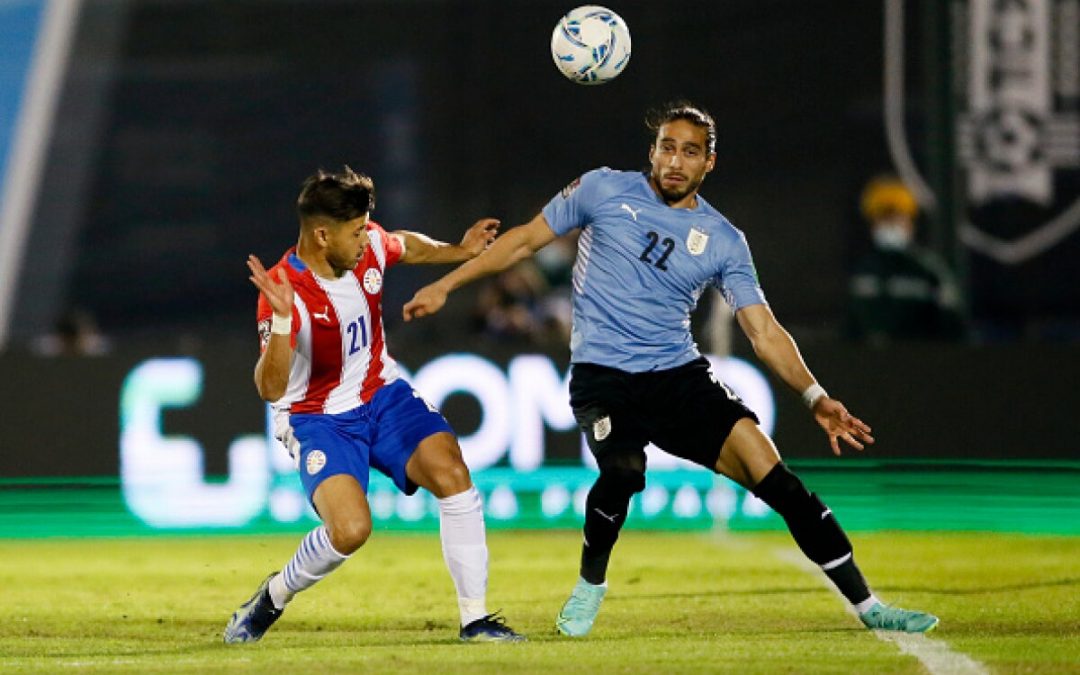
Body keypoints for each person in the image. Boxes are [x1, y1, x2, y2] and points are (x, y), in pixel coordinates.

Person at [403, 102, 939, 636]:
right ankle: (591, 584)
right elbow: (522, 241)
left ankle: (869, 606)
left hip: (679, 379)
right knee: (623, 473)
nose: (675, 161)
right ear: (653, 151)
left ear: (709, 162)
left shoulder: (723, 240)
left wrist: (814, 396)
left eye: (689, 151)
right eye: (667, 148)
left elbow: (763, 331)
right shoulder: (602, 189)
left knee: (781, 484)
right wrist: (446, 285)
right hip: (603, 378)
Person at [224, 167, 525, 644]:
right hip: (318, 418)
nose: (366, 240)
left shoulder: (369, 247)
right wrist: (281, 323)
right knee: (349, 531)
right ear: (322, 236)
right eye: (356, 232)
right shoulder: (285, 291)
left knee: (452, 474)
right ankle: (272, 596)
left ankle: (476, 620)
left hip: (381, 394)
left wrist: (460, 250)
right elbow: (270, 387)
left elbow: (405, 243)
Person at [846, 176, 966, 344]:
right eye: (883, 218)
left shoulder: (928, 269)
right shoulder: (863, 270)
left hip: (922, 357)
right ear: (872, 224)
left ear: (910, 223)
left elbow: (954, 326)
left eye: (896, 217)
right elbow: (850, 327)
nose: (890, 225)